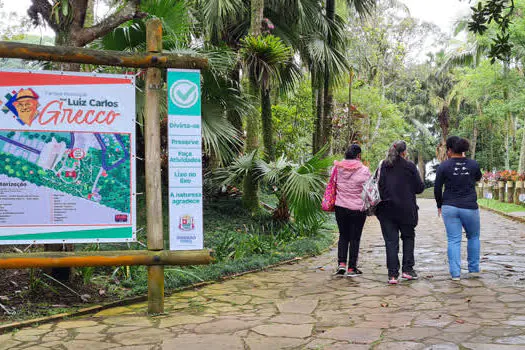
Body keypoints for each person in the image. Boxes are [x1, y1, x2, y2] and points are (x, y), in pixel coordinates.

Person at [376, 140, 425, 284]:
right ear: (404, 152)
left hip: (386, 210)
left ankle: (392, 275)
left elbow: (379, 185)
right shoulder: (409, 166)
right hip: (406, 210)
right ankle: (407, 270)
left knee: (391, 242)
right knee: (408, 238)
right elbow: (419, 188)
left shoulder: (383, 165)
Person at [434, 136, 482, 281]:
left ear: (449, 150)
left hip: (449, 206)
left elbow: (437, 188)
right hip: (470, 206)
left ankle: (455, 274)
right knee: (473, 237)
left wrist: (439, 205)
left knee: (453, 240)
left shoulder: (443, 166)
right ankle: (473, 269)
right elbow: (478, 178)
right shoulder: (473, 164)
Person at [333, 144, 371, 277]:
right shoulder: (364, 170)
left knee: (343, 235)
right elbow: (369, 189)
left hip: (340, 207)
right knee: (355, 237)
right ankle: (351, 268)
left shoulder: (337, 168)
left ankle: (341, 264)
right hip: (357, 209)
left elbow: (333, 183)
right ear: (358, 155)